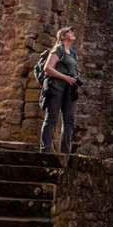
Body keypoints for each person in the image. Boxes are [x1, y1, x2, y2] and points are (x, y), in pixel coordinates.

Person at [39, 26, 81, 154]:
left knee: (69, 119)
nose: (72, 33)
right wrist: (65, 78)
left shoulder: (72, 52)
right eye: (69, 32)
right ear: (63, 36)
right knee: (51, 118)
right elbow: (47, 68)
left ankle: (65, 152)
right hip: (56, 88)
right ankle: (45, 150)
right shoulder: (58, 49)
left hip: (69, 91)